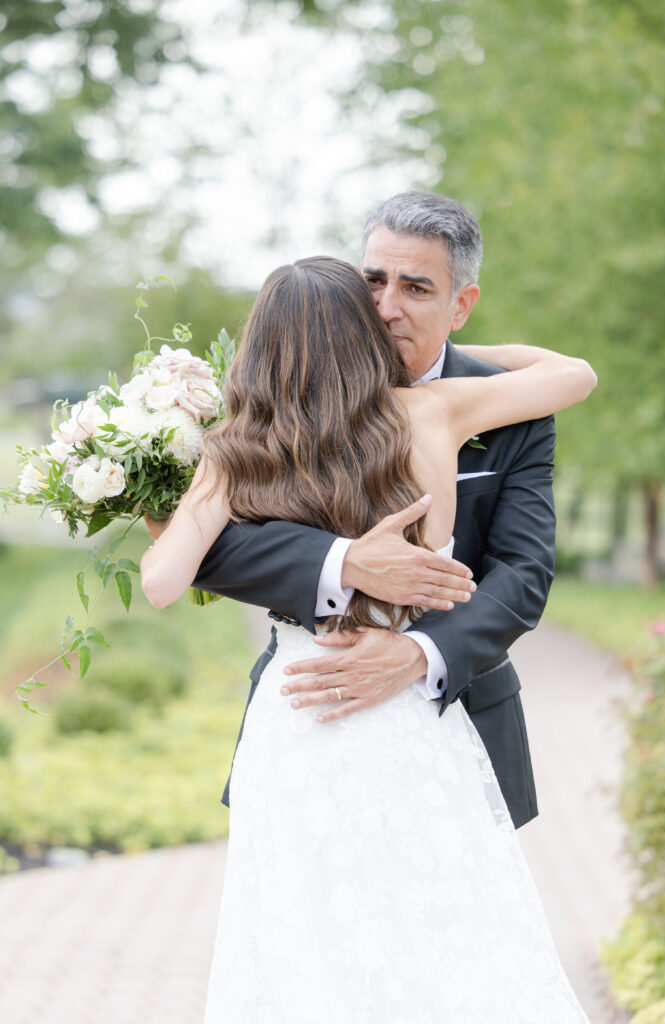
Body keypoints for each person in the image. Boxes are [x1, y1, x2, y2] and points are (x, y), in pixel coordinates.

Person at [141, 255, 596, 1021]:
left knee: (301, 945)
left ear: (258, 347)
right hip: (409, 724)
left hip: (298, 718)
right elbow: (575, 375)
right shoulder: (437, 411)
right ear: (364, 335)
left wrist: (166, 517)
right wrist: (485, 356)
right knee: (444, 934)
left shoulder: (234, 449)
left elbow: (160, 583)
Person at [189, 191, 557, 830]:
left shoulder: (512, 408)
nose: (386, 308)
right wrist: (346, 562)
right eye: (374, 280)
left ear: (460, 305)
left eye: (416, 288)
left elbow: (523, 575)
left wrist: (419, 652)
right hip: (306, 720)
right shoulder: (285, 387)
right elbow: (210, 547)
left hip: (457, 722)